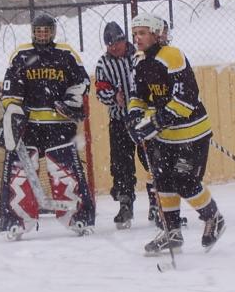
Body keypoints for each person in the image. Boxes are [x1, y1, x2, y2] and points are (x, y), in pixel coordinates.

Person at [127, 13, 226, 253]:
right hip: (164, 137)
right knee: (161, 180)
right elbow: (138, 96)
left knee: (185, 181)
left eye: (142, 33)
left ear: (157, 34)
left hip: (192, 133)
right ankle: (172, 232)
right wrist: (134, 116)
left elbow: (186, 98)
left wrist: (158, 121)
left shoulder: (172, 55)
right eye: (135, 33)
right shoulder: (140, 61)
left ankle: (213, 218)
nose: (137, 38)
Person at [0, 13, 95, 240]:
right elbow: (11, 88)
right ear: (33, 31)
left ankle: (78, 216)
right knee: (19, 173)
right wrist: (13, 108)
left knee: (66, 171)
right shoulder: (21, 54)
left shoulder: (66, 53)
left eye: (46, 30)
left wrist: (71, 102)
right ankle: (16, 221)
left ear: (53, 31)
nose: (42, 34)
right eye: (38, 31)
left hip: (59, 126)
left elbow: (81, 83)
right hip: (29, 126)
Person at [94, 21, 158, 229]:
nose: (114, 48)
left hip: (144, 119)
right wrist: (113, 95)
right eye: (109, 45)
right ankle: (125, 205)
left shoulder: (140, 56)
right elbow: (100, 90)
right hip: (120, 122)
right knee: (121, 165)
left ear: (124, 40)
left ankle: (158, 203)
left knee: (153, 162)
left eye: (117, 43)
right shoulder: (103, 63)